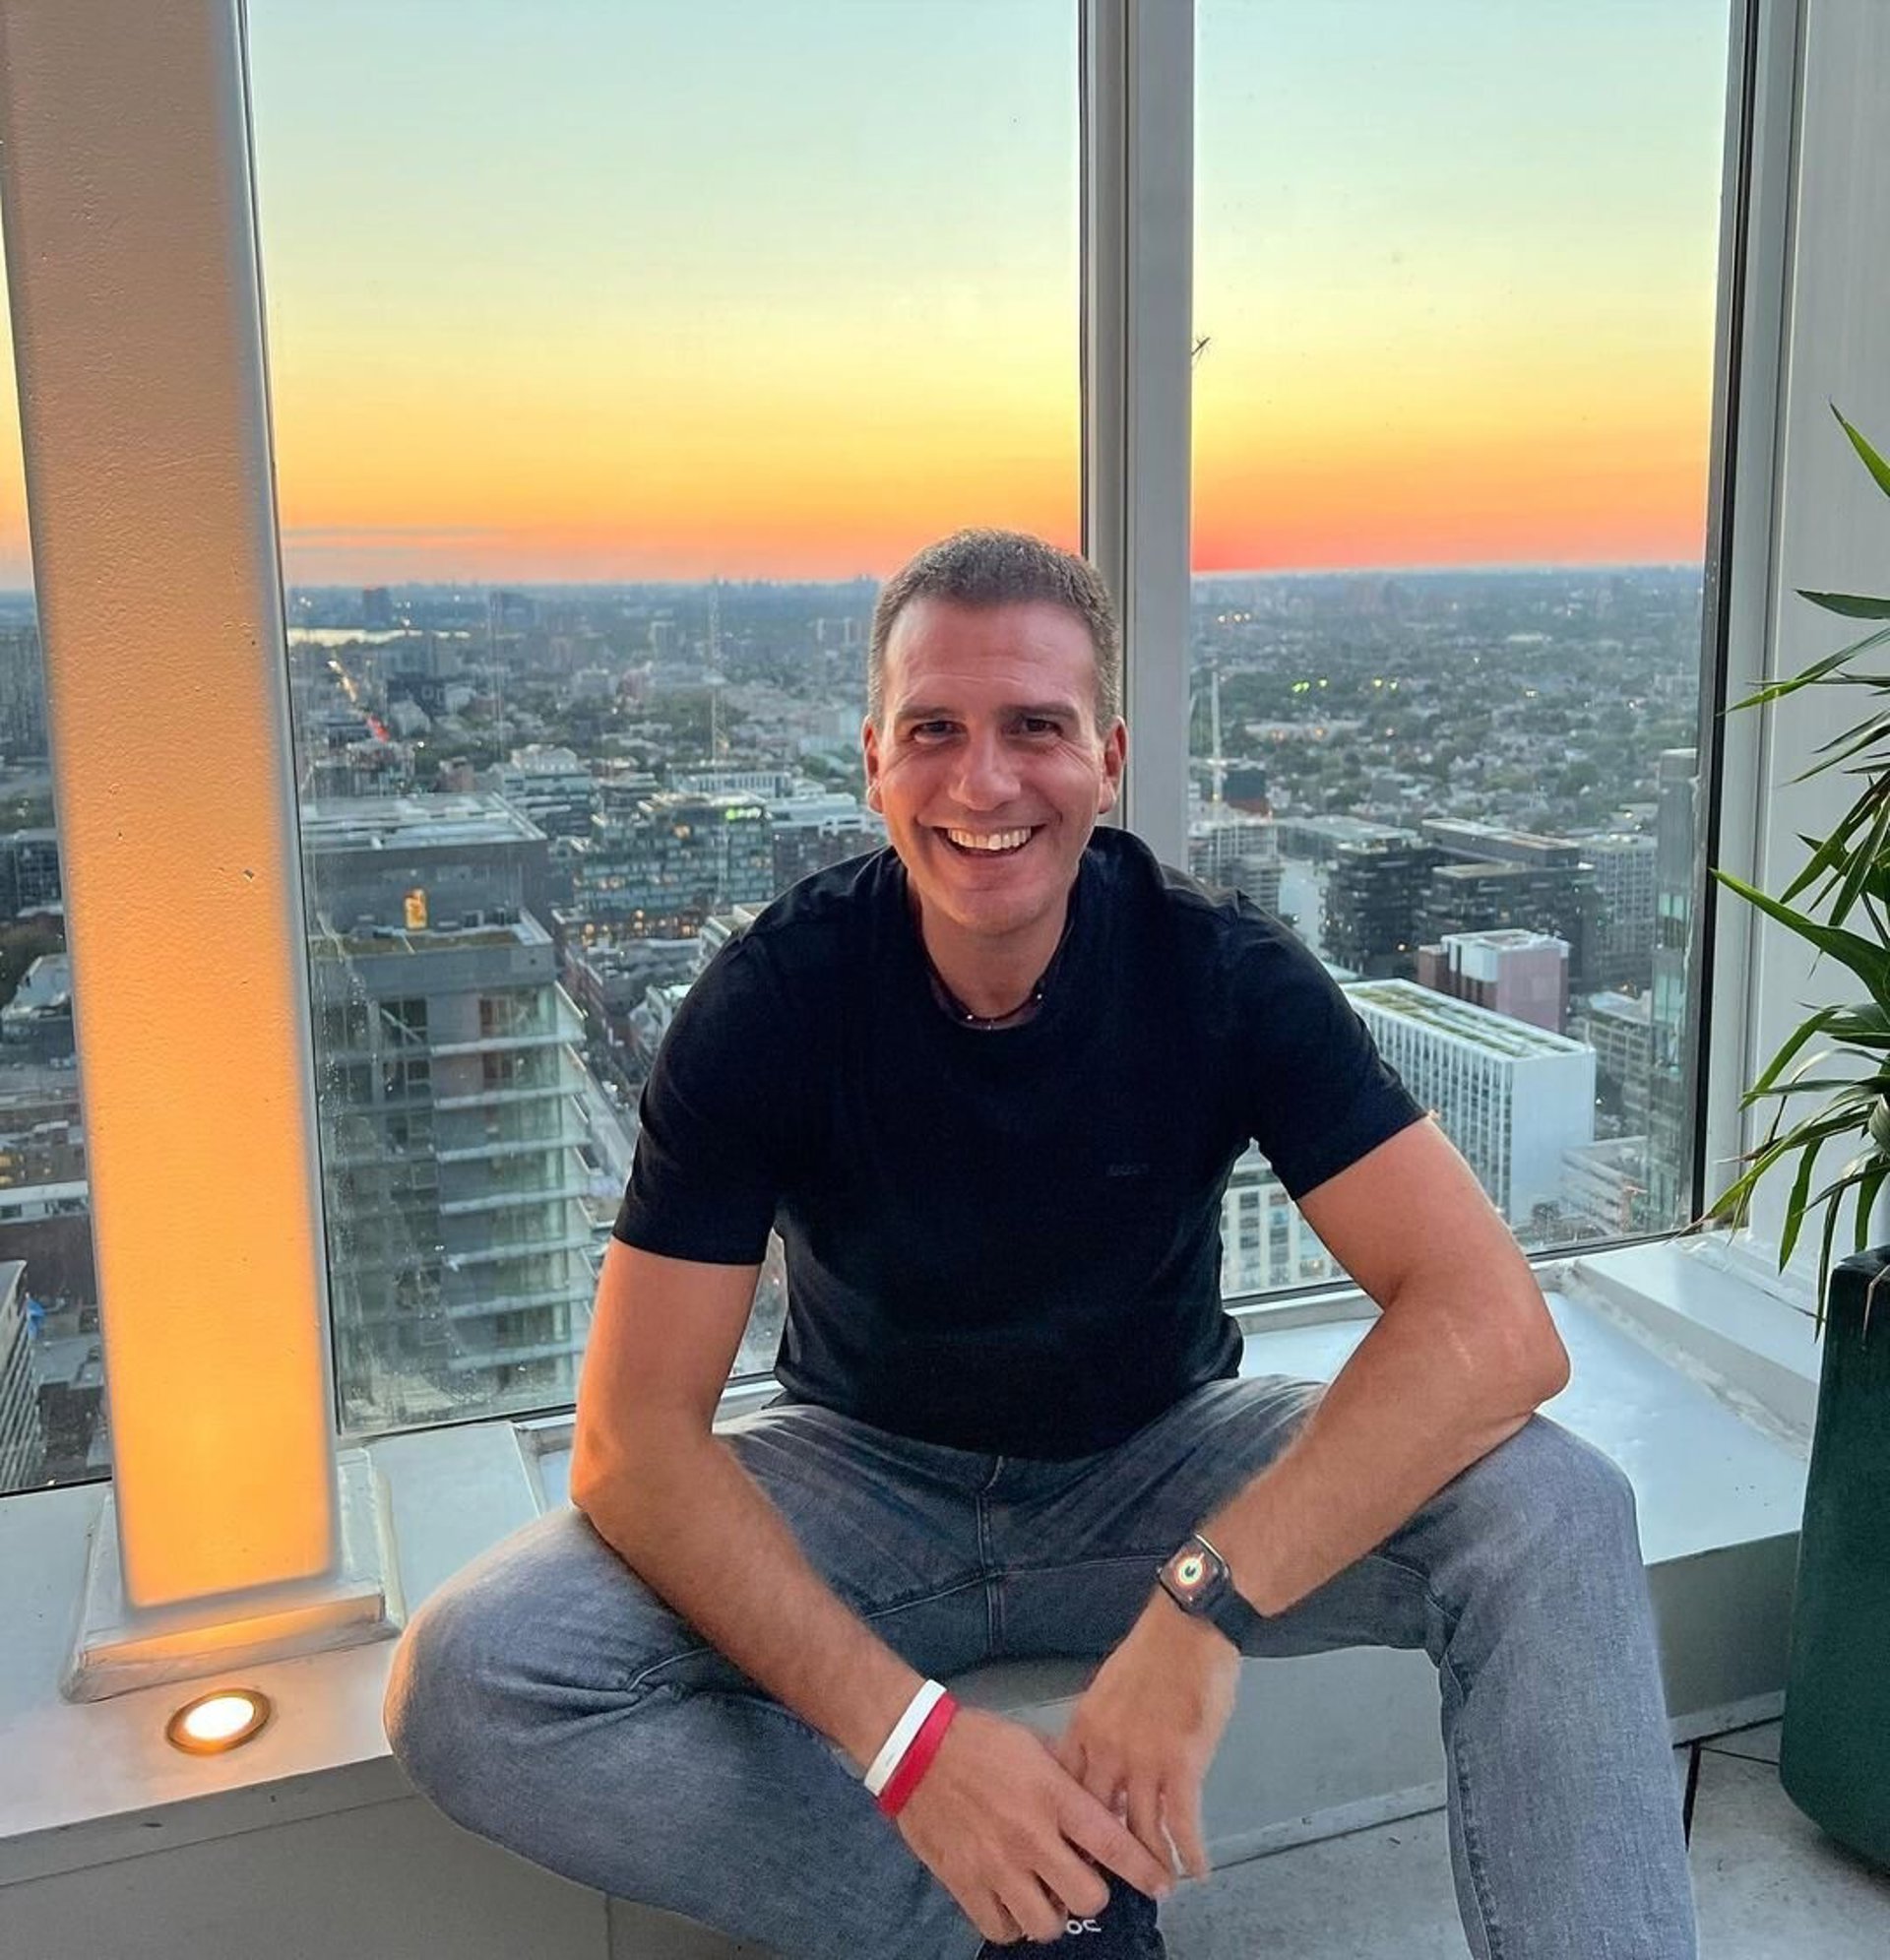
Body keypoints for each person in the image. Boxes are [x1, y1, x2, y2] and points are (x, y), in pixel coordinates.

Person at [384, 531, 1697, 1959]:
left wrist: (1202, 1602)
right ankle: (1045, 1924)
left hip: (1158, 1459)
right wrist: (911, 1749)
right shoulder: (771, 1002)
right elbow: (634, 1438)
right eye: (933, 731)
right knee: (476, 1677)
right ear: (873, 761)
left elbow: (1495, 1329)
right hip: (857, 1476)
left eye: (1034, 728)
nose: (984, 782)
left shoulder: (1220, 974)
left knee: (1556, 1510)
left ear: (1107, 760)